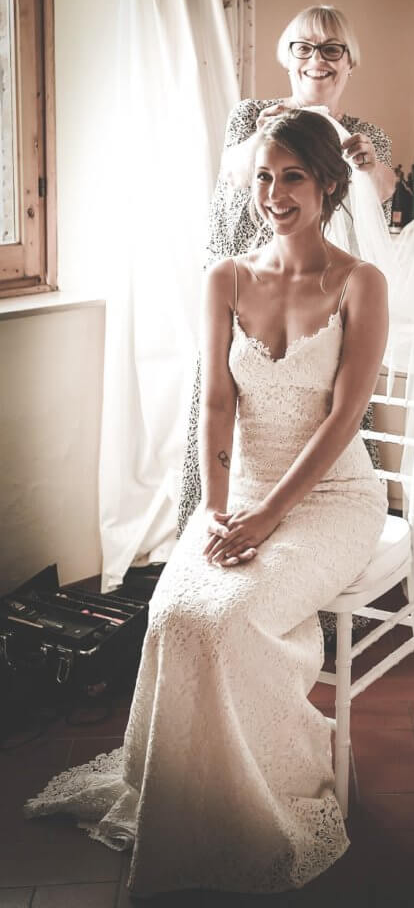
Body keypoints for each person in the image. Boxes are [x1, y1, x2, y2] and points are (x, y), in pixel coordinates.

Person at [25, 110, 389, 895]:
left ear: (327, 182)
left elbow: (342, 419)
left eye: (291, 175)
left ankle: (276, 785)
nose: (274, 192)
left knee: (229, 618)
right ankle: (192, 797)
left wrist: (267, 520)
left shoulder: (362, 282)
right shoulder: (225, 278)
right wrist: (218, 510)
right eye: (263, 175)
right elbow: (217, 404)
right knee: (174, 613)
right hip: (241, 492)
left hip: (332, 497)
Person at [178, 4, 394, 536]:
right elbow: (235, 174)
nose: (315, 60)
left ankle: (308, 534)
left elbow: (386, 193)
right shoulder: (253, 115)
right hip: (251, 293)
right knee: (224, 398)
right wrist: (273, 135)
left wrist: (366, 162)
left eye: (330, 49)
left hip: (323, 295)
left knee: (325, 406)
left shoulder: (367, 133)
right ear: (286, 57)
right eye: (302, 47)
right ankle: (213, 522)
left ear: (349, 63)